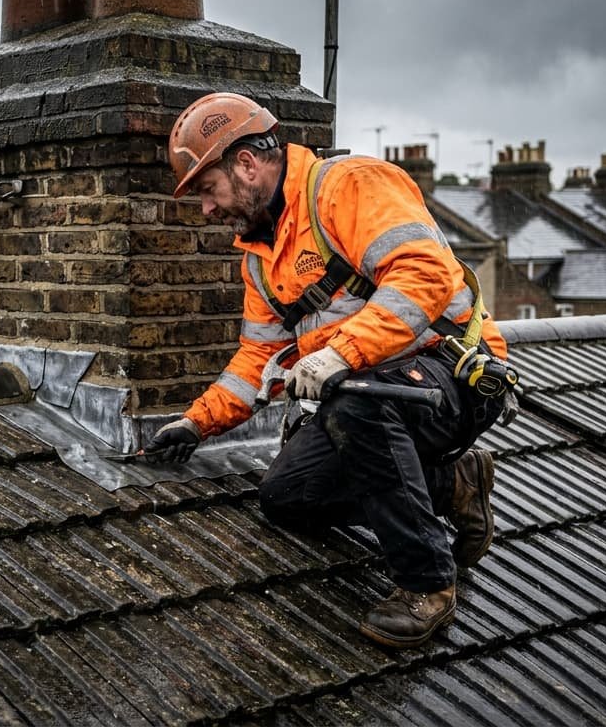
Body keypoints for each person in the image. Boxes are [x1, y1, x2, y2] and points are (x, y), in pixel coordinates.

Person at [145, 92, 517, 648]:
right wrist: (196, 423)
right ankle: (453, 485)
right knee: (286, 497)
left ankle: (427, 585)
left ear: (245, 164)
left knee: (355, 403)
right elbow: (258, 359)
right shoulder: (260, 258)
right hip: (375, 395)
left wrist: (340, 354)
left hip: (454, 378)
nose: (207, 209)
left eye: (207, 189)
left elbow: (425, 274)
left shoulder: (350, 185)